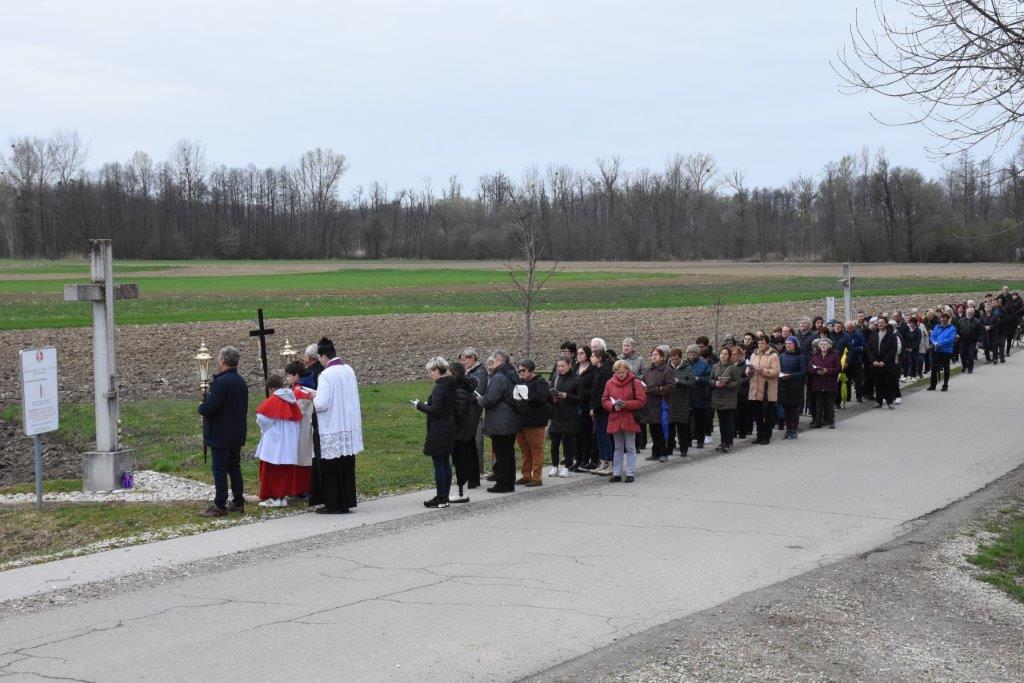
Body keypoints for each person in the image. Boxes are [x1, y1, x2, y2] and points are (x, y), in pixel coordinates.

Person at [312, 337, 363, 513]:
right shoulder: (348, 369)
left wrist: (313, 397)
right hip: (347, 424)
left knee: (331, 467)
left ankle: (333, 504)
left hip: (332, 425)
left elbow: (321, 404)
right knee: (346, 464)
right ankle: (347, 501)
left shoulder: (326, 375)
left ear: (324, 357)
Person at [198, 346, 248, 517]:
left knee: (219, 469)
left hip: (220, 433)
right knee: (234, 467)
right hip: (236, 432)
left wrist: (202, 406)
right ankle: (238, 501)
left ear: (223, 361)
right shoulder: (240, 381)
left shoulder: (221, 383)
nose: (218, 361)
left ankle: (220, 505)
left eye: (219, 359)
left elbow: (210, 408)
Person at [254, 372, 304, 508]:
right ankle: (282, 498)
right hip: (289, 441)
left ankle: (275, 498)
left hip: (275, 442)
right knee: (284, 470)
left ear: (271, 388)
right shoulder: (291, 397)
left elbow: (262, 419)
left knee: (273, 470)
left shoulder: (274, 399)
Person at [413, 357, 457, 508]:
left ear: (437, 370)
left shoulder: (440, 387)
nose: (430, 375)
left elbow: (435, 411)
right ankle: (445, 496)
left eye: (430, 372)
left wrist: (419, 405)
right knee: (445, 462)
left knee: (439, 463)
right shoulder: (451, 385)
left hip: (439, 429)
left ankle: (441, 497)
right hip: (449, 426)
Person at [478, 349, 522, 493]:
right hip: (511, 418)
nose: (491, 363)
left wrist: (480, 399)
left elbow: (490, 399)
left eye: (492, 360)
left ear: (499, 360)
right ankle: (509, 482)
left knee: (502, 452)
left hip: (501, 420)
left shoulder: (499, 377)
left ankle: (502, 483)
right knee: (508, 452)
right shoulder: (512, 374)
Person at [601, 360, 647, 483]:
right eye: (617, 372)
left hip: (630, 418)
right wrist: (612, 406)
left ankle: (630, 473)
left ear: (627, 370)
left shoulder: (635, 382)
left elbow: (641, 401)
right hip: (615, 418)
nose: (620, 374)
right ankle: (617, 473)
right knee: (618, 447)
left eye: (622, 372)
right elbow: (604, 400)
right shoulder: (610, 383)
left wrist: (625, 404)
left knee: (630, 447)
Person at [515, 359, 551, 487]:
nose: (521, 373)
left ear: (531, 369)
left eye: (523, 370)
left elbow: (543, 398)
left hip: (535, 421)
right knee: (524, 450)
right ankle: (526, 475)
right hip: (522, 420)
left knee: (536, 450)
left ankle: (537, 477)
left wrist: (526, 395)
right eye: (519, 371)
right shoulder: (521, 382)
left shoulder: (540, 381)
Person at [284, 360, 316, 499]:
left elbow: (295, 412)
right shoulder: (308, 387)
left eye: (289, 376)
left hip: (300, 428)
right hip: (308, 426)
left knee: (301, 458)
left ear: (296, 375)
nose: (288, 379)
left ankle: (300, 489)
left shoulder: (298, 391)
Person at [448, 362, 480, 497]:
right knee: (462, 458)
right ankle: (464, 486)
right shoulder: (463, 388)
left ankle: (461, 491)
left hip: (459, 431)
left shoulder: (460, 390)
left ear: (454, 374)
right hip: (464, 429)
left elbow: (459, 413)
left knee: (460, 461)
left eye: (448, 372)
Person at [548, 357, 580, 477]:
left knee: (568, 442)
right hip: (557, 412)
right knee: (554, 442)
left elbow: (580, 398)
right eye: (559, 366)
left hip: (569, 414)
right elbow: (550, 391)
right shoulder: (556, 377)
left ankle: (567, 466)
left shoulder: (576, 379)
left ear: (569, 365)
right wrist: (552, 396)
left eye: (563, 366)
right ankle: (554, 466)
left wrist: (567, 396)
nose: (561, 368)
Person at [641, 345, 674, 462]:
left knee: (662, 429)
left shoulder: (667, 370)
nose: (653, 357)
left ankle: (664, 452)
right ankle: (655, 452)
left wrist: (654, 389)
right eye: (652, 355)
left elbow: (670, 387)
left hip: (662, 405)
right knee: (653, 429)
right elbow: (643, 383)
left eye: (656, 355)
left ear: (662, 357)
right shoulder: (648, 371)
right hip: (650, 405)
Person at [460, 348, 489, 478]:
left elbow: (477, 394)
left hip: (473, 411)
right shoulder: (471, 372)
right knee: (469, 442)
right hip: (468, 411)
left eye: (465, 359)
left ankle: (473, 473)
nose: (463, 362)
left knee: (470, 442)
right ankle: (471, 472)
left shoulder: (480, 373)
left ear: (472, 358)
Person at [748, 336, 780, 445]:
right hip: (755, 389)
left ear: (767, 344)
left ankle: (766, 436)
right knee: (758, 415)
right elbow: (748, 369)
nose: (760, 346)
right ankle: (759, 435)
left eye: (762, 343)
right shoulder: (754, 354)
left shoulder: (773, 355)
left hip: (767, 390)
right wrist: (749, 371)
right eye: (759, 344)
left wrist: (762, 370)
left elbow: (776, 372)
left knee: (767, 415)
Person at [710, 346, 741, 453]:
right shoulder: (715, 366)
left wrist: (726, 384)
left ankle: (729, 443)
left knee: (729, 421)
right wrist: (715, 383)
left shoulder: (733, 368)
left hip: (729, 398)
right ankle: (723, 442)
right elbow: (710, 379)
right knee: (721, 422)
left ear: (729, 356)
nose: (723, 356)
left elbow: (738, 382)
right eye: (721, 354)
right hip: (718, 398)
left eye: (725, 354)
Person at [589, 347, 615, 475]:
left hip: (603, 409)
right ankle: (603, 462)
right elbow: (594, 391)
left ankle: (609, 463)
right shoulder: (598, 370)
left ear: (599, 358)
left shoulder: (605, 371)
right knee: (599, 436)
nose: (590, 358)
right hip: (597, 408)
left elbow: (601, 392)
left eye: (593, 356)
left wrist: (595, 408)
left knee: (605, 436)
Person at [667, 347, 694, 458]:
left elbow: (691, 382)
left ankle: (683, 449)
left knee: (682, 427)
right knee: (670, 426)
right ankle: (669, 448)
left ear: (681, 358)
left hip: (682, 401)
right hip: (670, 400)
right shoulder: (668, 368)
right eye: (672, 359)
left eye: (676, 359)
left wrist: (679, 381)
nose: (674, 361)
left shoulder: (687, 368)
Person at [867, 317, 898, 410]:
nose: (880, 324)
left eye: (882, 322)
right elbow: (869, 349)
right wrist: (873, 361)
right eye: (879, 322)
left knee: (888, 384)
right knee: (878, 384)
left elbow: (893, 350)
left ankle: (889, 402)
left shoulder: (891, 335)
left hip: (887, 364)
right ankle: (879, 402)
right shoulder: (873, 334)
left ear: (886, 324)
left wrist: (884, 361)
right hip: (876, 364)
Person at [808, 337, 839, 428]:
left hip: (830, 383)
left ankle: (831, 421)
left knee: (829, 404)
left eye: (825, 344)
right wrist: (816, 371)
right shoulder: (815, 356)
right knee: (819, 404)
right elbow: (809, 368)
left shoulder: (834, 355)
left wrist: (827, 371)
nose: (823, 346)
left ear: (829, 346)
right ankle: (818, 422)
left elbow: (838, 368)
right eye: (821, 344)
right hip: (818, 382)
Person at [573, 346, 596, 471]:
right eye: (578, 353)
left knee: (585, 434)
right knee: (576, 434)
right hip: (574, 404)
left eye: (581, 353)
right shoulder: (575, 368)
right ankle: (577, 459)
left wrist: (582, 392)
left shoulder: (592, 370)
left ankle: (585, 459)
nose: (578, 355)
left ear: (587, 355)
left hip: (586, 405)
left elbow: (595, 389)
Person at [777, 336, 805, 440]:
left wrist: (791, 375)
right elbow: (778, 369)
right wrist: (781, 375)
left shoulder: (800, 356)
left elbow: (802, 372)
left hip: (795, 387)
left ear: (795, 345)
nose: (788, 345)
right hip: (784, 386)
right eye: (786, 344)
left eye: (790, 343)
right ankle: (788, 429)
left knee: (793, 410)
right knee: (786, 409)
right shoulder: (782, 356)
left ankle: (794, 430)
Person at [688, 345, 712, 449]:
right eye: (689, 353)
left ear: (697, 354)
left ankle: (700, 440)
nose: (691, 355)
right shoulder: (686, 364)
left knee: (699, 420)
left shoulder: (704, 365)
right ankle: (687, 441)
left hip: (700, 396)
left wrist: (699, 379)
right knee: (688, 421)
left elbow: (709, 379)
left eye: (693, 353)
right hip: (688, 397)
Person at [928, 312, 957, 391]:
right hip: (936, 350)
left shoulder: (952, 328)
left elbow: (951, 339)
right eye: (941, 321)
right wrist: (935, 343)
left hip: (946, 351)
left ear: (948, 320)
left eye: (944, 321)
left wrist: (940, 344)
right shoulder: (937, 326)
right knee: (934, 367)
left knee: (946, 367)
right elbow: (932, 336)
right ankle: (933, 385)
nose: (942, 322)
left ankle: (945, 384)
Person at [730, 346, 752, 440]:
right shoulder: (730, 365)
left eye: (735, 354)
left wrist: (738, 382)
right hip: (732, 393)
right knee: (733, 414)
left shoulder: (745, 365)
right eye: (732, 354)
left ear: (740, 355)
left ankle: (743, 432)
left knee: (742, 414)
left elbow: (748, 379)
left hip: (742, 393)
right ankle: (734, 431)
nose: (733, 356)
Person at [956, 307, 981, 374]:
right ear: (966, 313)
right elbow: (957, 329)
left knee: (970, 355)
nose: (969, 314)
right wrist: (957, 334)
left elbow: (979, 332)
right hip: (962, 340)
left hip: (972, 341)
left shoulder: (977, 321)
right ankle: (964, 366)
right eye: (968, 313)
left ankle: (970, 368)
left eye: (970, 313)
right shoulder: (961, 320)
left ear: (973, 313)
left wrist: (978, 341)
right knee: (962, 354)